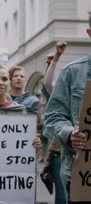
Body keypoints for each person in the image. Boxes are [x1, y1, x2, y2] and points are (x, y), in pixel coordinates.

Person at [44, 28, 91, 201]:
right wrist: (70, 133)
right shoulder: (72, 72)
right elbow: (53, 115)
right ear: (90, 32)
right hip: (82, 172)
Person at [40, 41, 67, 204]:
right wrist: (55, 59)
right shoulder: (62, 97)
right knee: (62, 196)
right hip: (61, 153)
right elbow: (48, 85)